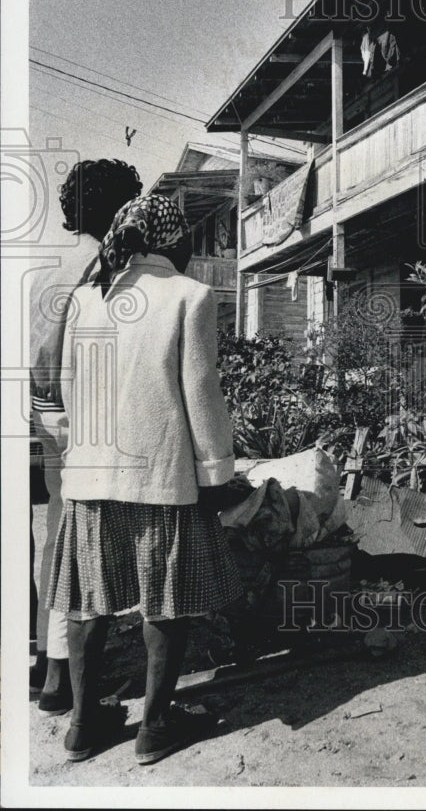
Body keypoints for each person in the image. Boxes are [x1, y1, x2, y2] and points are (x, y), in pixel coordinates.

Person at [46, 194, 243, 764]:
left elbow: (67, 388)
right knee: (164, 602)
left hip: (89, 478)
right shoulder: (190, 295)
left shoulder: (86, 300)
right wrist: (216, 472)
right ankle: (154, 728)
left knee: (87, 603)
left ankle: (83, 725)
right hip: (158, 479)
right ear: (173, 240)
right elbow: (201, 395)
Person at [29, 158, 143, 713]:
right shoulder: (104, 263)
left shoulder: (48, 256)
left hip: (33, 402)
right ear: (114, 208)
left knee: (50, 532)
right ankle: (60, 677)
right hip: (71, 408)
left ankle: (43, 664)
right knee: (77, 538)